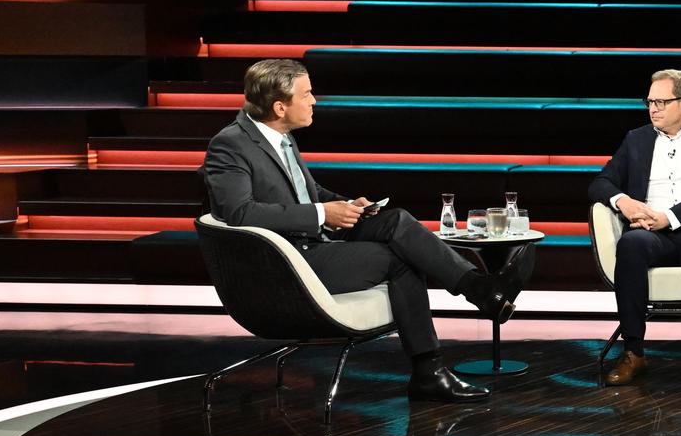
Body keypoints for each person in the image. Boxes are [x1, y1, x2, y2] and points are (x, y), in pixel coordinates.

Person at [200, 59, 515, 402]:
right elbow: (240, 212)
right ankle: (431, 369)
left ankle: (477, 289)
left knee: (395, 220)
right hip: (286, 262)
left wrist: (346, 205)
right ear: (280, 107)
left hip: (312, 241)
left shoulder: (281, 137)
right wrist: (323, 213)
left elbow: (308, 192)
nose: (314, 101)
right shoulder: (231, 145)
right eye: (306, 94)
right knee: (400, 260)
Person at [590, 69, 681, 387]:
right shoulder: (636, 139)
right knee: (630, 244)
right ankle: (633, 352)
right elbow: (601, 182)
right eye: (649, 101)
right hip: (650, 234)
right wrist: (623, 202)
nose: (653, 109)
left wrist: (669, 217)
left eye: (661, 102)